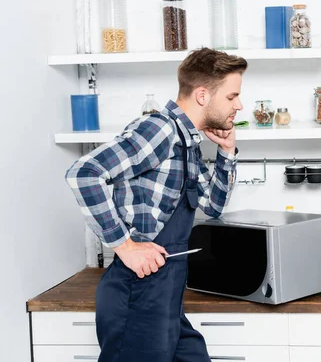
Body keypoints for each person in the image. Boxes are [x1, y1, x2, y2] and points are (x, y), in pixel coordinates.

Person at [65, 48, 247, 362]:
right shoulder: (159, 130)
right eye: (232, 97)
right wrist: (124, 245)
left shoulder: (187, 140)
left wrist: (227, 152)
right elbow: (83, 173)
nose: (239, 105)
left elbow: (213, 205)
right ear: (202, 95)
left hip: (167, 296)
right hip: (138, 296)